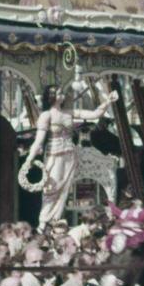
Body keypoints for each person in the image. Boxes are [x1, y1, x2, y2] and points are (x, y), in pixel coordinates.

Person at [21, 85, 117, 228]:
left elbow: (95, 114)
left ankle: (55, 220)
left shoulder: (69, 112)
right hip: (55, 154)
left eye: (61, 92)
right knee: (52, 188)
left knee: (64, 190)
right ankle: (43, 222)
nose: (62, 94)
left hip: (70, 155)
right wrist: (29, 160)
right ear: (50, 96)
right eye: (58, 92)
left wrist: (108, 101)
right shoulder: (46, 115)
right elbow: (38, 141)